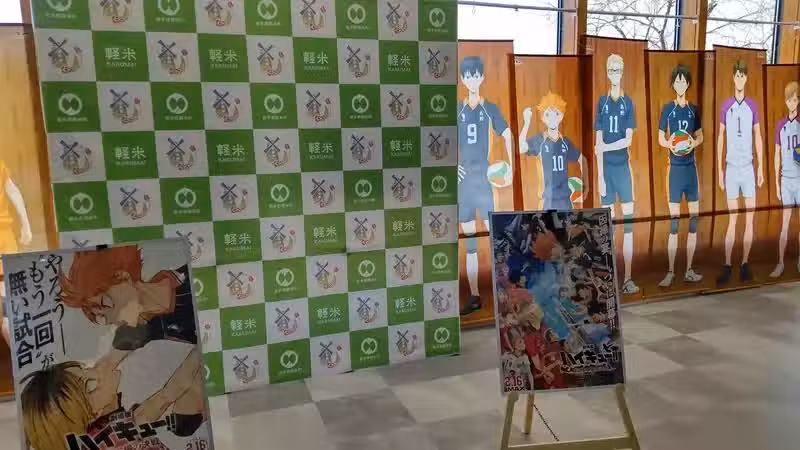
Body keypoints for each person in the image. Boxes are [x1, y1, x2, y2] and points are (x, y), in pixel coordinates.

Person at [20, 347, 205, 449]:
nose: (96, 370)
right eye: (89, 383)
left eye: (86, 369)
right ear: (92, 414)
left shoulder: (110, 431)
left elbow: (168, 393)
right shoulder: (112, 437)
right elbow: (170, 392)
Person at [457, 55, 514, 315]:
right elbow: (439, 139)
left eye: (475, 75)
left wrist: (510, 167)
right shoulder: (457, 109)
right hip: (464, 185)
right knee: (470, 242)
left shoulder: (489, 108)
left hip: (483, 181)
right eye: (467, 76)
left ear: (482, 77)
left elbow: (508, 134)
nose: (471, 80)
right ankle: (475, 296)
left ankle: (505, 291)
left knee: (495, 238)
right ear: (462, 79)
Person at [716, 60, 764, 285]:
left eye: (743, 75)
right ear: (733, 78)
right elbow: (720, 138)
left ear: (746, 78)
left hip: (748, 168)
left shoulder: (752, 106)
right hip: (732, 168)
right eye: (737, 75)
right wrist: (720, 170)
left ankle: (745, 263)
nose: (739, 79)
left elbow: (758, 136)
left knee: (750, 218)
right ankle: (727, 265)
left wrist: (761, 167)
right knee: (733, 219)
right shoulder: (726, 105)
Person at [594, 54, 639, 295]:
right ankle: (608, 281)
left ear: (622, 72)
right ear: (607, 72)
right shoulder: (601, 102)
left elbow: (628, 140)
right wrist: (600, 176)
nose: (614, 73)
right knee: (607, 227)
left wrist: (605, 147)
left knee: (629, 224)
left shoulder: (628, 102)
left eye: (617, 69)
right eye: (610, 69)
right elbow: (597, 144)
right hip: (607, 172)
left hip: (623, 169)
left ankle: (628, 278)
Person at [657, 64, 705, 287]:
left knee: (693, 221)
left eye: (683, 81)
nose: (680, 84)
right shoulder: (668, 109)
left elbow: (700, 136)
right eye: (677, 81)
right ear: (673, 84)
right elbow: (660, 137)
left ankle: (689, 270)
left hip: (690, 170)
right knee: (674, 224)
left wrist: (693, 143)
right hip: (674, 171)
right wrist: (671, 144)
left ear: (688, 84)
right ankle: (670, 272)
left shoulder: (694, 109)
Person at [519, 91, 589, 209]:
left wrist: (586, 186)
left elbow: (583, 160)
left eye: (556, 113)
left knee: (569, 222)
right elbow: (521, 148)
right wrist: (526, 123)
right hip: (547, 200)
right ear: (542, 118)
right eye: (547, 114)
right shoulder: (540, 140)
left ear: (561, 116)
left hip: (565, 200)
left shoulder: (565, 142)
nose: (552, 118)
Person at [771, 81, 800, 277]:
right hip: (786, 180)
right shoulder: (780, 125)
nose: (792, 103)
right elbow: (777, 154)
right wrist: (776, 183)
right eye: (790, 100)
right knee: (785, 223)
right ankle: (780, 263)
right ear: (785, 101)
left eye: (795, 99)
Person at [0, 158, 33, 258]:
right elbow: (13, 191)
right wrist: (26, 225)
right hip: (4, 232)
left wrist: (26, 224)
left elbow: (13, 191)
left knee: (11, 265)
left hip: (4, 231)